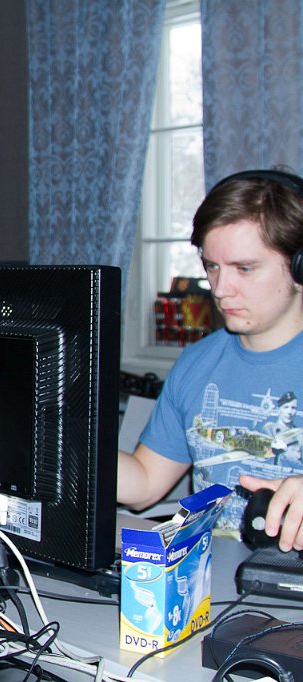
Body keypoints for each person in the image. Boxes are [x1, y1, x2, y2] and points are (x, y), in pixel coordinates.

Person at [118, 168, 303, 552]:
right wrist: (65, 439)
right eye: (212, 266)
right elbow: (145, 484)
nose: (219, 289)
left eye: (244, 268)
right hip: (206, 581)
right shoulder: (197, 362)